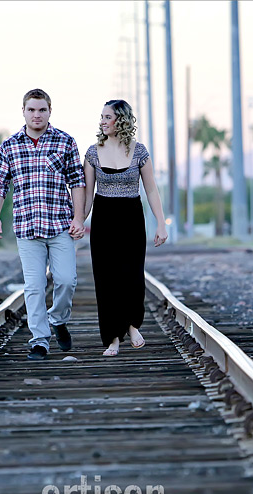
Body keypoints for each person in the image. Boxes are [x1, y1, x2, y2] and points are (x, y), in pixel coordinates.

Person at [0, 89, 87, 360]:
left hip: (60, 226)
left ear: (49, 111)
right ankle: (40, 340)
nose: (36, 115)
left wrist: (79, 218)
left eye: (41, 110)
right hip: (27, 227)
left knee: (66, 280)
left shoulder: (65, 142)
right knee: (34, 286)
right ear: (23, 111)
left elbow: (77, 182)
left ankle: (58, 319)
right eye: (31, 109)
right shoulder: (10, 145)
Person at [83, 99, 167, 357]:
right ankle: (112, 339)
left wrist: (161, 223)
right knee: (106, 279)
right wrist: (77, 221)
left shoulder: (139, 151)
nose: (102, 121)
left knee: (131, 275)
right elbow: (87, 196)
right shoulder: (93, 152)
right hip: (104, 217)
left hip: (131, 215)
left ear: (121, 120)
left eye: (107, 117)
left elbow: (151, 189)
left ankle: (131, 325)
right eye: (102, 117)